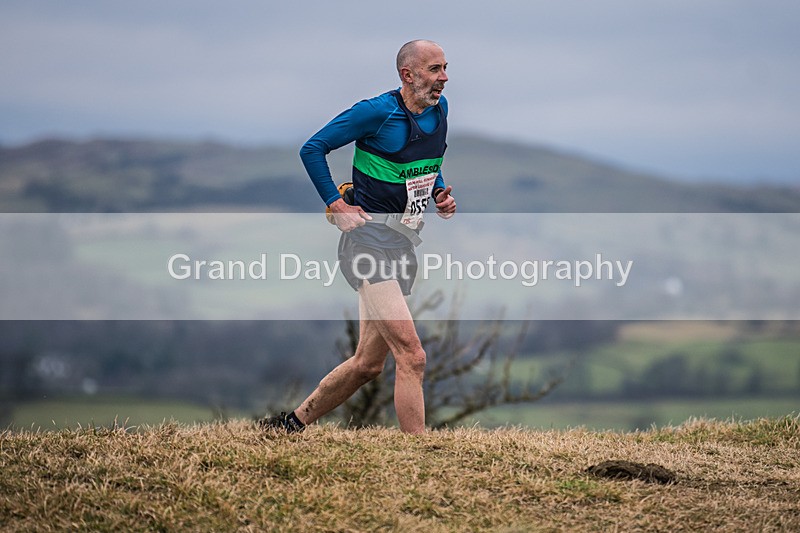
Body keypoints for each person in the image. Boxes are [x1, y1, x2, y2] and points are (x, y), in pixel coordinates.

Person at [261, 39, 456, 435]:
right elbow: (312, 148)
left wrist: (439, 192)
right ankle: (419, 456)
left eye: (445, 68)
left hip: (403, 243)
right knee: (412, 356)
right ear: (408, 75)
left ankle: (288, 426)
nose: (444, 78)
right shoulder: (376, 113)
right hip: (367, 244)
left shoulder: (440, 111)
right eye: (435, 69)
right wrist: (337, 204)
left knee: (367, 364)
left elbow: (425, 164)